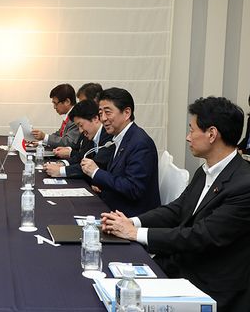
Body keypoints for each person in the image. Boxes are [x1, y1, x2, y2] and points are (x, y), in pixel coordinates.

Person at [101, 97, 250, 312]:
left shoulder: (243, 184)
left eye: (192, 130)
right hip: (181, 263)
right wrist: (131, 221)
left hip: (209, 283)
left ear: (212, 134)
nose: (188, 137)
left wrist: (135, 234)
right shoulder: (206, 170)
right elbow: (178, 208)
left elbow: (202, 235)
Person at [80, 87, 160, 216]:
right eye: (100, 113)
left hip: (132, 216)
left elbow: (133, 189)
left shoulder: (140, 143)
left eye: (108, 112)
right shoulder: (119, 137)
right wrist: (103, 185)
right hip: (115, 206)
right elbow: (119, 176)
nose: (103, 118)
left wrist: (96, 173)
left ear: (127, 113)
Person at [44, 99, 113, 179]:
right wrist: (62, 163)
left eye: (81, 125)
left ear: (95, 119)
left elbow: (95, 165)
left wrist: (61, 171)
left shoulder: (108, 135)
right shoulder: (89, 134)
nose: (80, 131)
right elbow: (81, 157)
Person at [53, 82, 103, 160]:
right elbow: (81, 151)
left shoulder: (102, 128)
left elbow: (90, 159)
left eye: (83, 103)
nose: (80, 106)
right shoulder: (85, 123)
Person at [31, 84, 80, 149]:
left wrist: (45, 137)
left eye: (55, 103)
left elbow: (68, 142)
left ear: (67, 101)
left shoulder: (76, 117)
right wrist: (42, 142)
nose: (54, 107)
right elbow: (59, 134)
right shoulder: (68, 115)